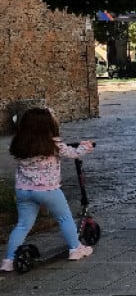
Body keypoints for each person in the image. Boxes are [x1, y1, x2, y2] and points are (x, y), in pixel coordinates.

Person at [2, 108, 95, 271]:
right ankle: (76, 249)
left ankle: (9, 260)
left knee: (23, 225)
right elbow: (73, 153)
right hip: (48, 191)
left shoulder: (19, 144)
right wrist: (85, 147)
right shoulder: (53, 144)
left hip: (24, 190)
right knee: (64, 218)